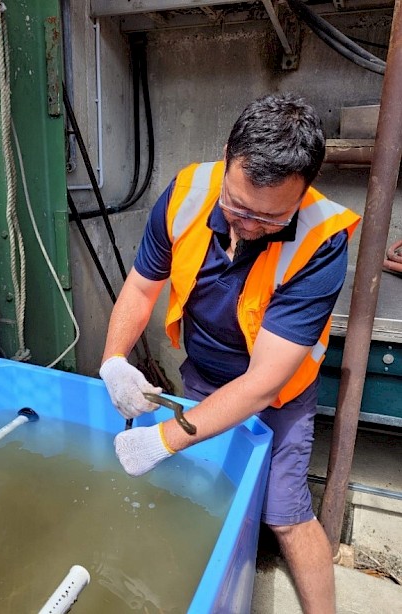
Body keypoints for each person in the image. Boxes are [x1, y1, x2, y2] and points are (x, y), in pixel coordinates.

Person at [99, 92, 361, 614]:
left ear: (303, 192)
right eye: (236, 206)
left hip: (279, 395)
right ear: (227, 157)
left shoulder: (321, 239)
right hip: (203, 374)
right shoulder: (187, 192)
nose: (245, 224)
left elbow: (264, 382)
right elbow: (141, 287)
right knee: (204, 489)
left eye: (268, 218)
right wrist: (112, 360)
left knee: (285, 514)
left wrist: (162, 441)